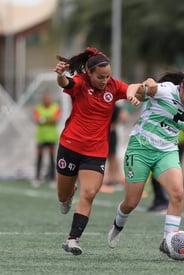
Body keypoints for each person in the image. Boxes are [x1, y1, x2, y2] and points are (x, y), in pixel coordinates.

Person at [53, 47, 144, 256]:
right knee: (62, 195)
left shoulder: (113, 86)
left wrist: (137, 92)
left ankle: (73, 239)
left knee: (90, 193)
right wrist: (60, 75)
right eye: (100, 77)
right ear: (89, 73)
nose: (105, 81)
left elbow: (133, 88)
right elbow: (65, 83)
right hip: (70, 146)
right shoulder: (80, 83)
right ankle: (68, 196)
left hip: (95, 151)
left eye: (108, 76)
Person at [107, 71, 184, 256]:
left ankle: (168, 242)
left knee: (177, 194)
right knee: (131, 202)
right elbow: (143, 88)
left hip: (166, 151)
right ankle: (117, 226)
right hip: (140, 149)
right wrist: (144, 87)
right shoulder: (166, 90)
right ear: (181, 87)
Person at [147, 72, 184, 212]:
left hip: (176, 143)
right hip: (159, 143)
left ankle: (173, 195)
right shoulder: (164, 100)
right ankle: (162, 198)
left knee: (176, 165)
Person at [32, 92, 61, 187]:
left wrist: (43, 120)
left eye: (48, 98)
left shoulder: (55, 107)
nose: (46, 100)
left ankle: (53, 178)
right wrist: (48, 120)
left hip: (52, 136)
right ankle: (37, 177)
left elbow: (55, 120)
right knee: (39, 158)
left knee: (52, 158)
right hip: (41, 136)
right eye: (45, 98)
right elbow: (37, 119)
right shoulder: (38, 108)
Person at [103, 104, 128, 187]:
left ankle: (115, 178)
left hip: (111, 134)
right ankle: (112, 178)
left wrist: (114, 125)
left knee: (112, 156)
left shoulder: (115, 106)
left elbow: (124, 117)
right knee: (108, 156)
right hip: (103, 133)